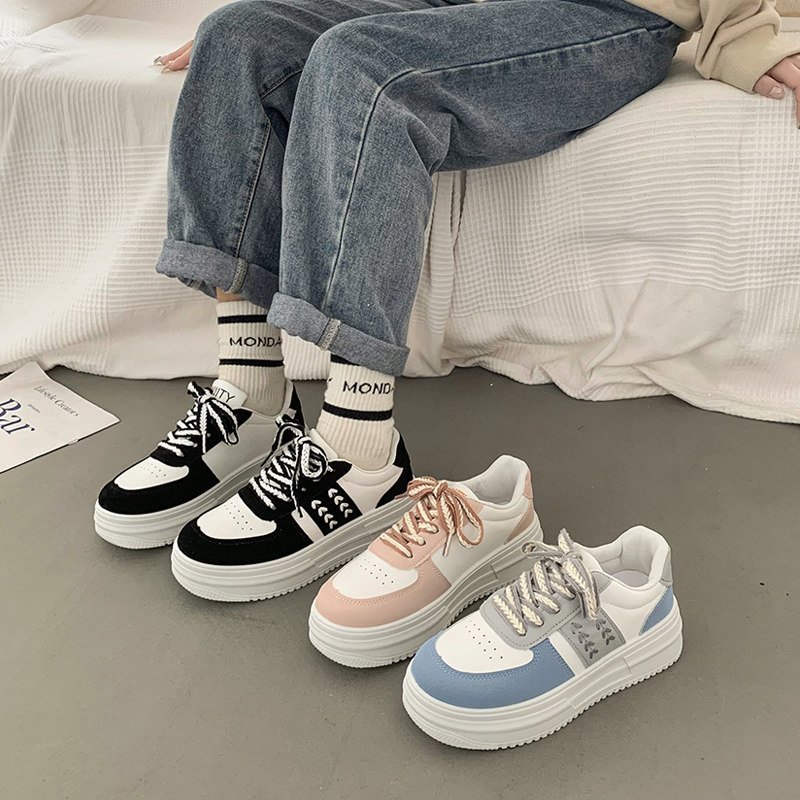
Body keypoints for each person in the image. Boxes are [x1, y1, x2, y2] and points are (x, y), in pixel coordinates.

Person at [95, 0, 800, 597]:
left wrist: (745, 32)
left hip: (601, 12)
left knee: (362, 67)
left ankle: (359, 450)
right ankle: (253, 397)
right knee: (237, 36)